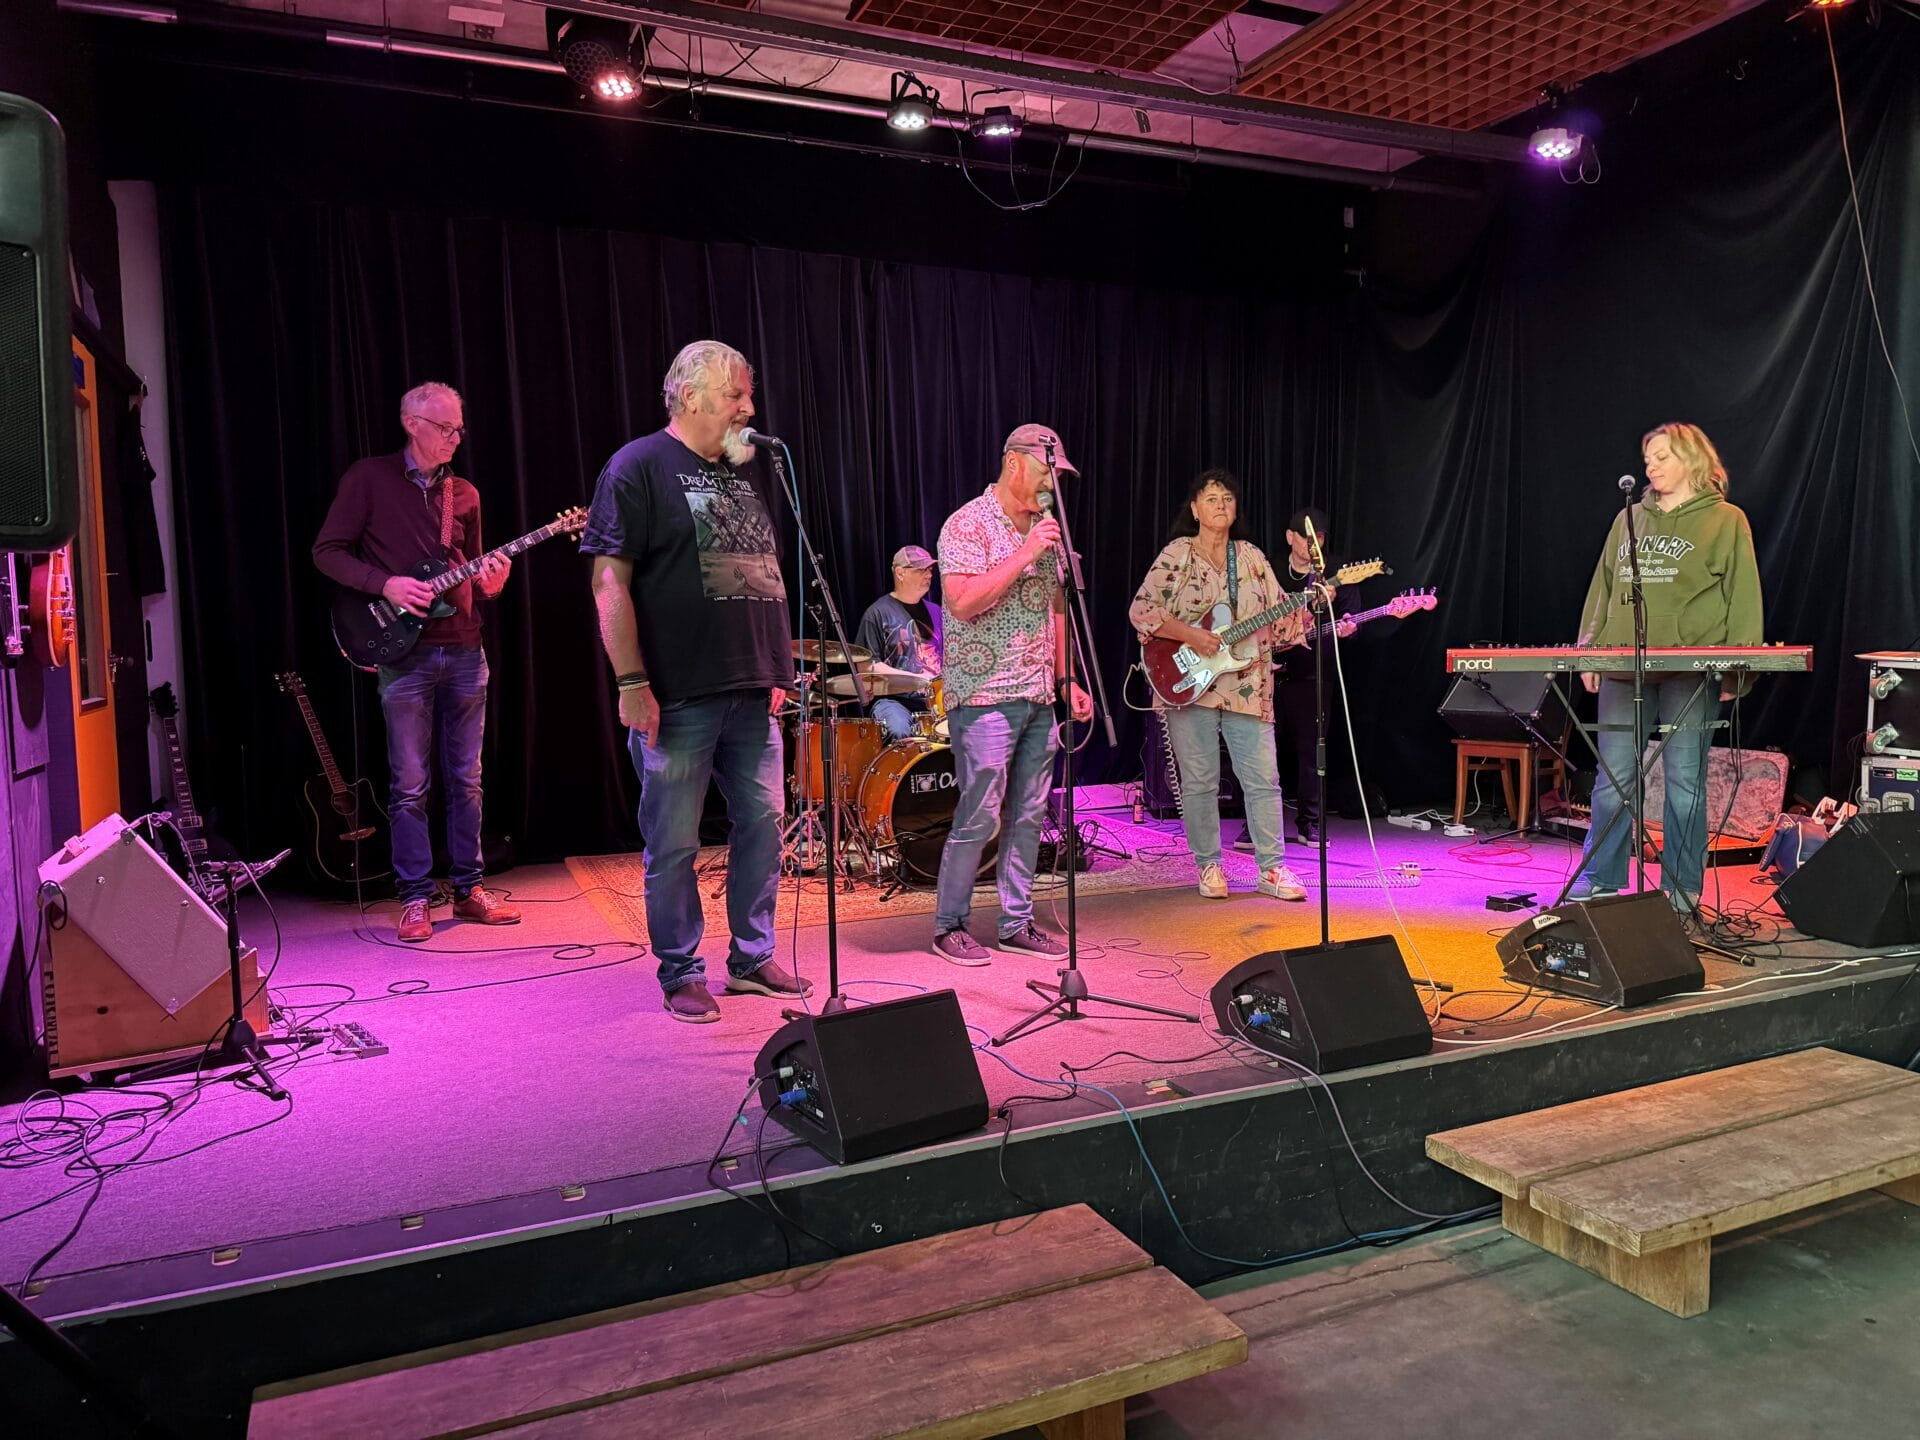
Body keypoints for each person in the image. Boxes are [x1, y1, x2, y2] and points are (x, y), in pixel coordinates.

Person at [583, 340, 813, 1023]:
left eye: (748, 394)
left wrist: (777, 666)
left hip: (753, 690)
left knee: (766, 827)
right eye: (737, 394)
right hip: (678, 695)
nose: (750, 406)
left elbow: (759, 576)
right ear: (692, 396)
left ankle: (751, 955)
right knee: (676, 840)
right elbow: (608, 582)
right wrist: (630, 680)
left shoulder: (746, 472)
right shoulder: (637, 467)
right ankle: (681, 969)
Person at [313, 381, 521, 942]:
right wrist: (387, 584)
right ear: (412, 424)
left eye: (460, 428)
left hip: (466, 648)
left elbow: (473, 572)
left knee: (468, 779)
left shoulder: (467, 494)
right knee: (409, 784)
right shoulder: (368, 479)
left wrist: (493, 584)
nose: (457, 437)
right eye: (446, 427)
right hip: (403, 654)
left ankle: (470, 888)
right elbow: (326, 552)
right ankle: (413, 897)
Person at [1568, 423, 1763, 917]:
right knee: (1614, 779)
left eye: (1661, 457)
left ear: (1691, 460)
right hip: (1623, 667)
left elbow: (1743, 597)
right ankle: (1603, 880)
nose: (1650, 466)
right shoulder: (1628, 519)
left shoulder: (1726, 519)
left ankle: (1682, 889)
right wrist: (1590, 650)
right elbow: (1603, 586)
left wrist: (1739, 668)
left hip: (1689, 669)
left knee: (1683, 783)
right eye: (1647, 458)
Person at [929, 424, 1093, 966]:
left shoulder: (1050, 532)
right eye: (1048, 469)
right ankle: (949, 924)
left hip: (1038, 691)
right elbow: (961, 602)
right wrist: (1024, 551)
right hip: (983, 693)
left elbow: (1056, 609)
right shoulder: (967, 524)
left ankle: (1015, 922)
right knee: (980, 814)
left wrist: (1067, 678)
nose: (1054, 482)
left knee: (1029, 813)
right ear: (1014, 463)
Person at [1130, 470, 1308, 901]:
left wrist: (1310, 606)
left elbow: (1282, 624)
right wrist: (1192, 636)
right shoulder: (1178, 553)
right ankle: (1209, 864)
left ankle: (1272, 869)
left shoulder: (1249, 557)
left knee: (1264, 779)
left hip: (1247, 684)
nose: (1221, 505)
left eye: (1227, 498)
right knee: (1200, 781)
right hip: (1189, 680)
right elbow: (1142, 610)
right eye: (1211, 499)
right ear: (1194, 509)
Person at [1271, 507, 1354, 843]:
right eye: (1307, 537)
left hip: (1312, 674)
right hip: (1267, 672)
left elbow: (1349, 616)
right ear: (1290, 538)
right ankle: (1257, 825)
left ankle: (1311, 822)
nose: (1313, 544)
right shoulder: (1270, 570)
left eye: (1319, 538)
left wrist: (1347, 624)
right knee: (1262, 753)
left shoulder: (1335, 573)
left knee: (1312, 752)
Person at [853, 545, 944, 742]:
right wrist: (916, 678)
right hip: (893, 700)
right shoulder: (877, 613)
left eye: (930, 569)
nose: (928, 575)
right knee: (898, 731)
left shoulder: (937, 612)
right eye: (921, 570)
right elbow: (868, 666)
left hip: (935, 701)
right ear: (900, 573)